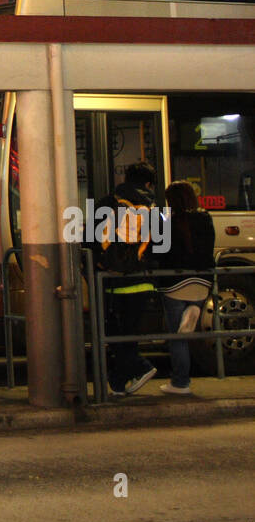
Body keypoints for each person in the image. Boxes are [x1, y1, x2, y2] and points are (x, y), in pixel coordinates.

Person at [94, 161, 158, 396]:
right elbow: (161, 244)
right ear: (149, 183)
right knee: (128, 333)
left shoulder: (109, 201)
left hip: (113, 280)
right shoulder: (154, 208)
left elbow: (90, 237)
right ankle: (121, 381)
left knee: (115, 333)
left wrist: (99, 263)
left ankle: (135, 371)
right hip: (142, 280)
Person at [158, 180, 215, 395]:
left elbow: (161, 253)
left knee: (177, 337)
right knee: (184, 333)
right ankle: (194, 308)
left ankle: (180, 383)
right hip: (202, 282)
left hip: (175, 283)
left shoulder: (169, 222)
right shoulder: (205, 218)